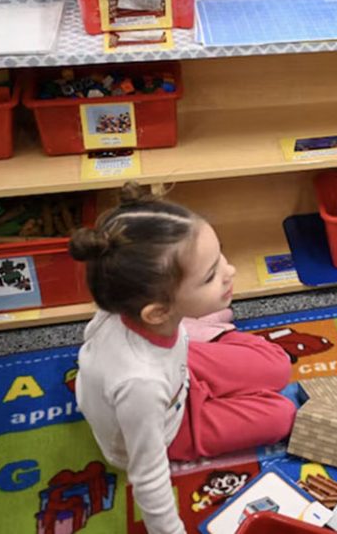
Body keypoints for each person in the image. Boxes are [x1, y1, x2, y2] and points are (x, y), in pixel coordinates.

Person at [71, 183, 295, 533]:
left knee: (279, 365)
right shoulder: (139, 384)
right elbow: (148, 476)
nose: (231, 271)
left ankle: (198, 320)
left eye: (220, 256)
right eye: (210, 276)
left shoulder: (121, 299)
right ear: (158, 312)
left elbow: (94, 343)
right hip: (168, 424)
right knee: (282, 415)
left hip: (176, 363)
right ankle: (202, 322)